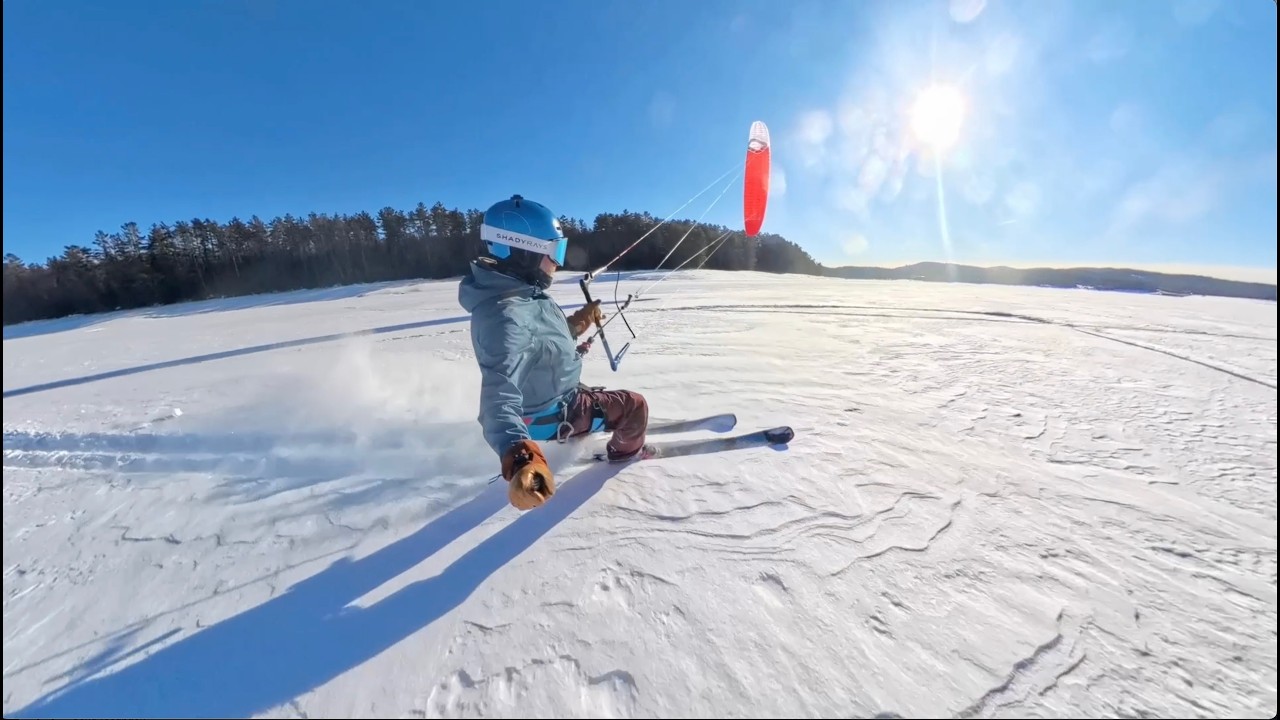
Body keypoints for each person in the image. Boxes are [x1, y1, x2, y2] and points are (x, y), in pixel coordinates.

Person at [458, 194, 650, 511]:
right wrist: (520, 455)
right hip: (550, 414)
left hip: (555, 395)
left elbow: (541, 339)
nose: (557, 263)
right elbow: (498, 394)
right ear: (524, 251)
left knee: (590, 392)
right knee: (635, 406)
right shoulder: (507, 316)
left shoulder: (518, 295)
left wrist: (578, 323)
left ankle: (584, 423)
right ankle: (625, 456)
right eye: (553, 251)